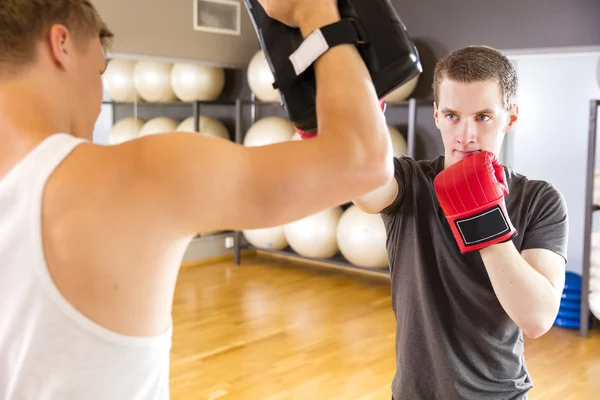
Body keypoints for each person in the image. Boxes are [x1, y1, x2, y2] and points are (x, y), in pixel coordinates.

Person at [0, 0, 395, 398]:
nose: (99, 91)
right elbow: (362, 162)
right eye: (100, 69)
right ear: (60, 44)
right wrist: (315, 13)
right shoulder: (138, 175)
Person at [352, 45, 569, 399]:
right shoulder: (410, 183)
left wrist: (484, 216)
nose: (465, 135)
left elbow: (537, 318)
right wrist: (347, 132)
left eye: (483, 117)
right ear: (436, 115)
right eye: (452, 115)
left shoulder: (540, 199)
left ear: (510, 118)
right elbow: (366, 190)